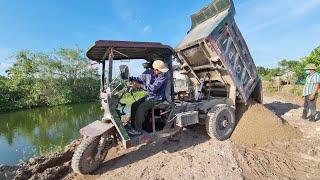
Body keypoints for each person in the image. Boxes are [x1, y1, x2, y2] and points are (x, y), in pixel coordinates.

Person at [128, 60, 169, 135]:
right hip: (149, 96)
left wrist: (139, 86)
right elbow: (138, 79)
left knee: (142, 107)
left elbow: (153, 88)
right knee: (134, 105)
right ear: (155, 69)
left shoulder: (164, 76)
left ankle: (137, 130)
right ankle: (133, 126)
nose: (161, 72)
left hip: (157, 98)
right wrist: (129, 78)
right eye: (160, 70)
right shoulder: (147, 73)